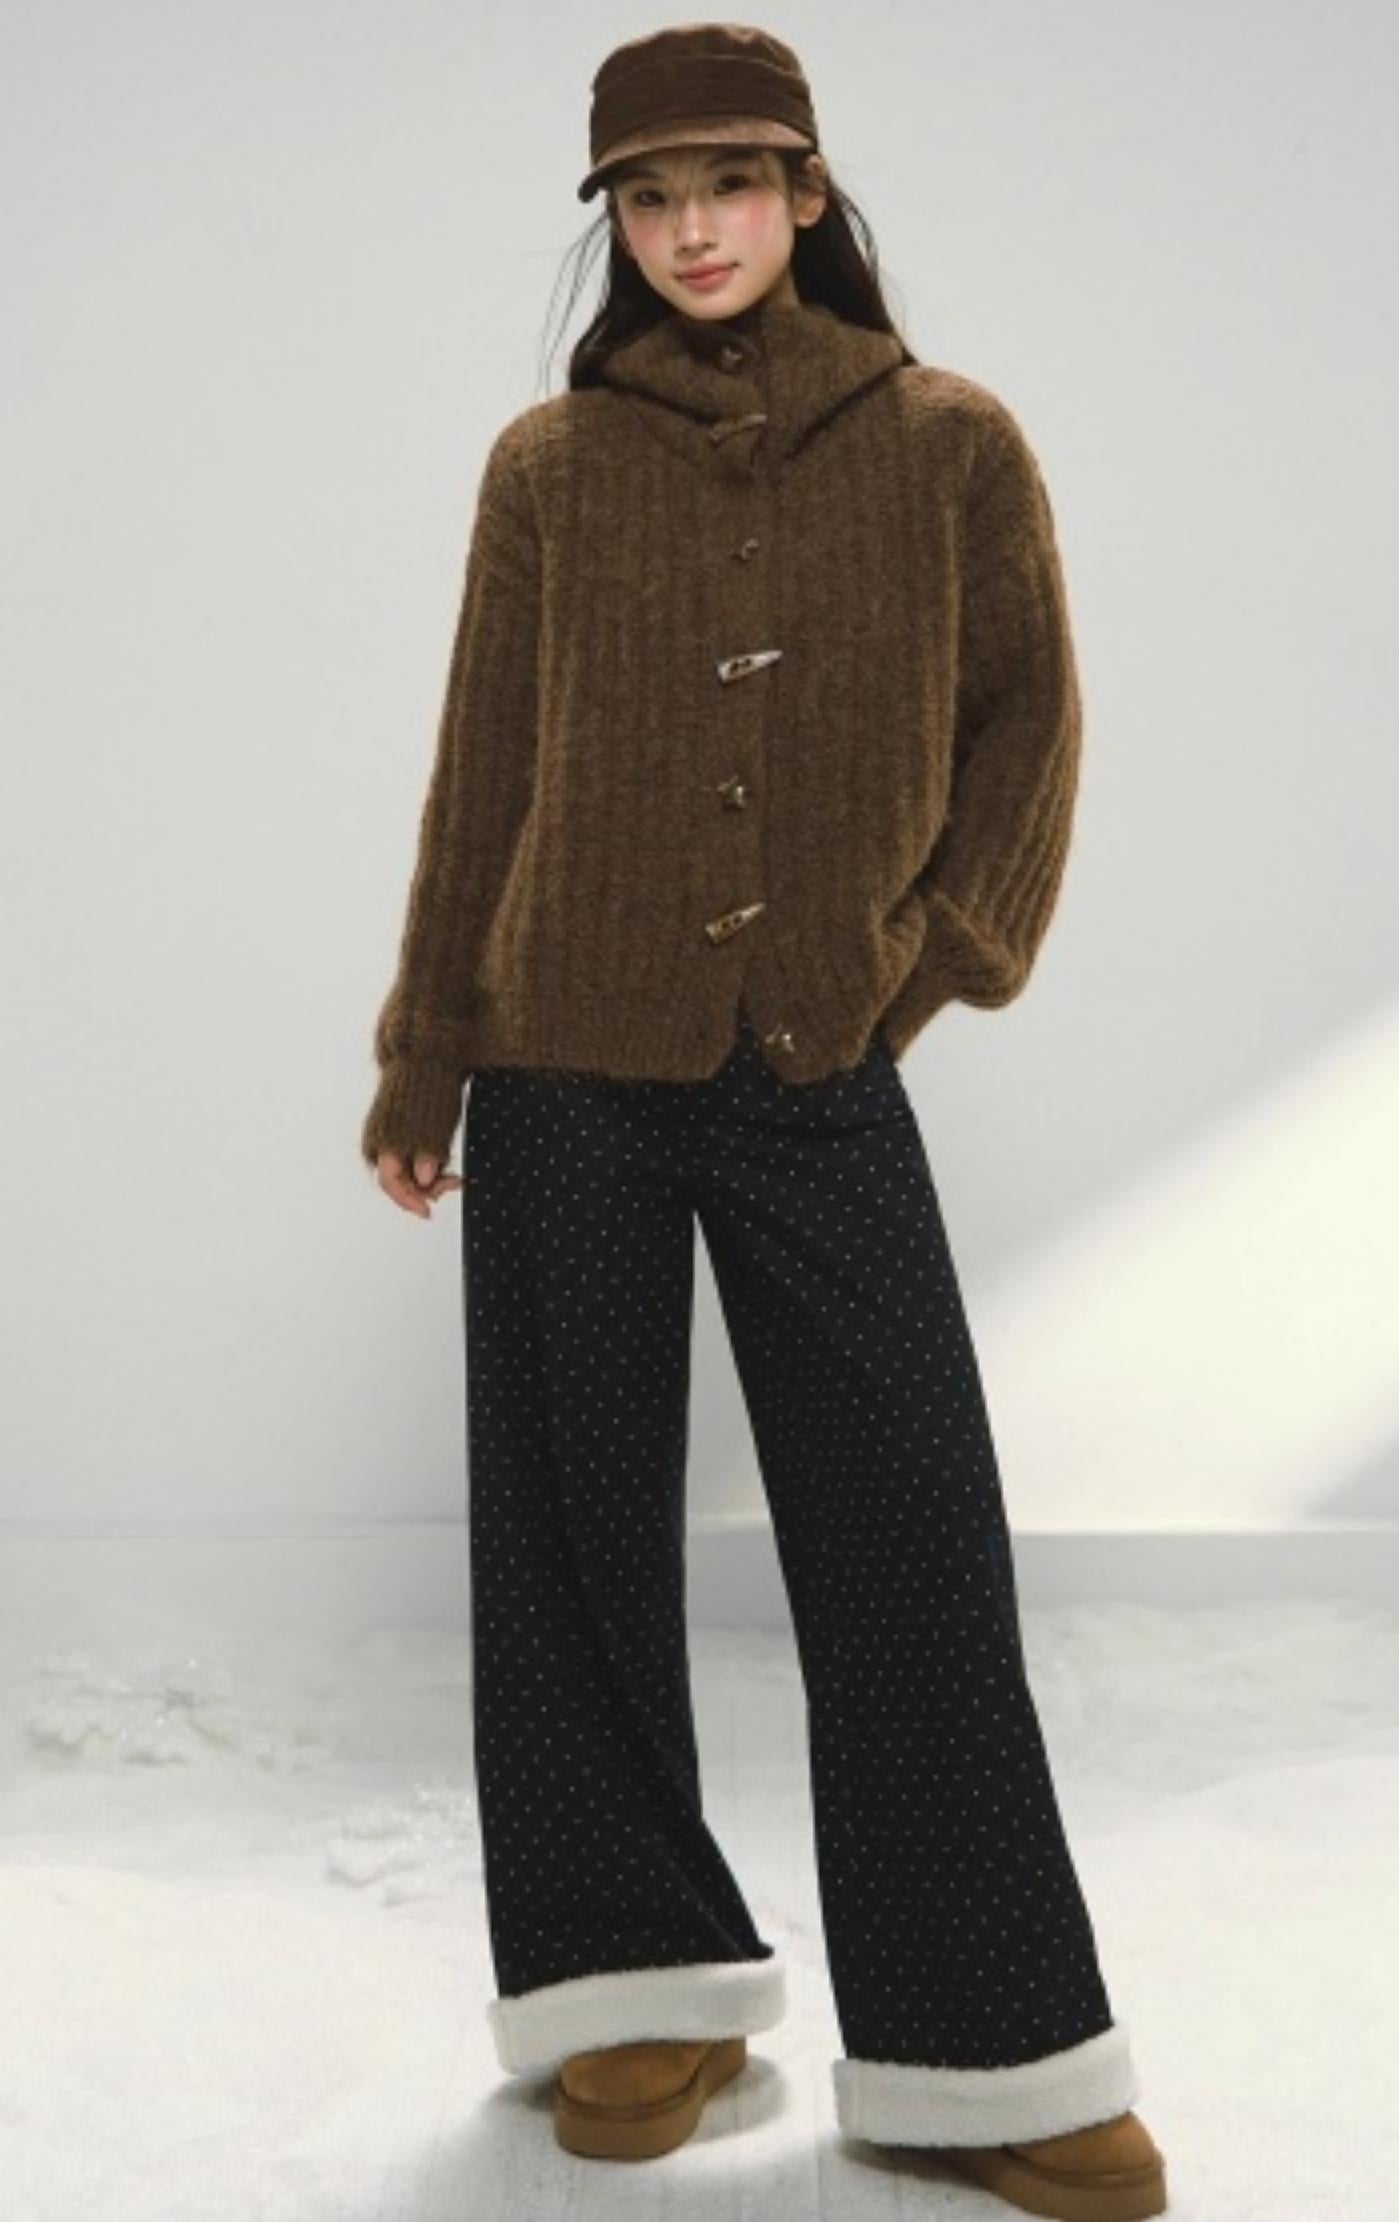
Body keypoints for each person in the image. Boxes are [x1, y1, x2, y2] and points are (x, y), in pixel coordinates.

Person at [358, 22, 1168, 2219]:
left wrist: (933, 961)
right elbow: (481, 774)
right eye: (647, 197)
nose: (690, 229)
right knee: (568, 1536)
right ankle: (629, 1984)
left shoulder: (946, 442)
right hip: (560, 1062)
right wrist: (427, 1051)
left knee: (910, 1539)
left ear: (808, 193)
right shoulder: (549, 468)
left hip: (818, 1064)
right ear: (615, 225)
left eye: (727, 184)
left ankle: (984, 2048)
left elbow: (1027, 728)